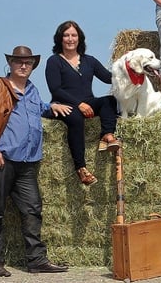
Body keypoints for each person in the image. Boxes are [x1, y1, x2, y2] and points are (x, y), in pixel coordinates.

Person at [0, 46, 72, 277]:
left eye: (28, 63)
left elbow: (36, 109)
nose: (23, 66)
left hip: (28, 161)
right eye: (18, 62)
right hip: (2, 160)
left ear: (33, 66)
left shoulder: (33, 90)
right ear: (11, 64)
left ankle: (36, 260)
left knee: (32, 210)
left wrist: (50, 107)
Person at [45, 21, 118, 186]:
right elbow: (56, 89)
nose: (70, 39)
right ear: (60, 39)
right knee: (76, 118)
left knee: (110, 100)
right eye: (66, 35)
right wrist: (79, 104)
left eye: (74, 35)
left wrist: (128, 66)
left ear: (80, 38)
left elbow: (108, 78)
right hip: (64, 105)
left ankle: (106, 135)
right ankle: (81, 168)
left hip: (88, 101)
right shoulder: (54, 61)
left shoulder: (89, 61)